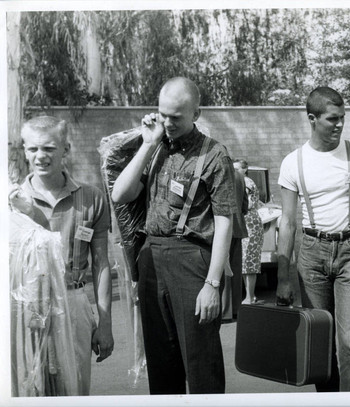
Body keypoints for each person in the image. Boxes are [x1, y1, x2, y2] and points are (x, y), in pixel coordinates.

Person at [111, 77, 236, 394]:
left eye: (176, 117)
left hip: (192, 260)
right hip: (152, 258)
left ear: (196, 113)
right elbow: (120, 194)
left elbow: (224, 222)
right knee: (161, 363)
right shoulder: (154, 148)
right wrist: (148, 142)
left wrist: (212, 283)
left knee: (200, 361)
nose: (167, 123)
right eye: (163, 114)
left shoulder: (214, 155)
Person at [276, 87, 350, 392]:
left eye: (343, 119)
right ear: (312, 119)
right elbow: (287, 222)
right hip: (311, 254)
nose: (339, 125)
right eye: (332, 119)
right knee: (320, 343)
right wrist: (284, 278)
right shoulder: (293, 162)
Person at [10, 115, 114, 396]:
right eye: (32, 149)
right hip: (28, 306)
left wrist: (105, 325)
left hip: (73, 301)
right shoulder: (13, 201)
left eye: (49, 148)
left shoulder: (91, 198)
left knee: (74, 387)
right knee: (30, 387)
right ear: (24, 149)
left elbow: (101, 264)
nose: (40, 156)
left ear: (65, 149)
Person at [233, 159, 264, 304]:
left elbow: (249, 203)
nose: (234, 171)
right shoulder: (244, 181)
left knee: (249, 260)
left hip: (250, 222)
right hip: (246, 221)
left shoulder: (246, 182)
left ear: (245, 169)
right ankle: (249, 294)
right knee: (245, 260)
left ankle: (250, 296)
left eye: (237, 168)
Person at [221, 167, 248, 321]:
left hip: (222, 228)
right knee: (235, 269)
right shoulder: (239, 175)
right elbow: (245, 204)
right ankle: (236, 308)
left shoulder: (218, 170)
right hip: (237, 226)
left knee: (223, 269)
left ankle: (225, 312)